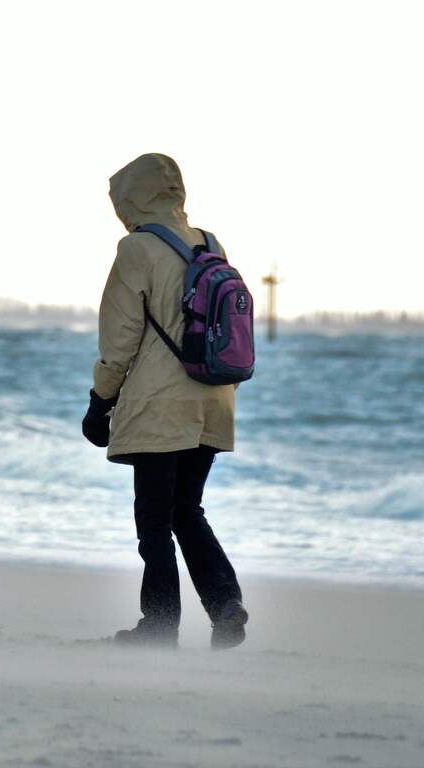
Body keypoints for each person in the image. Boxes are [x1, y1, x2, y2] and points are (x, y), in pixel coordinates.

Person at [82, 153, 248, 650]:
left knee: (154, 520)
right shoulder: (210, 243)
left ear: (131, 197)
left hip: (160, 403)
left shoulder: (138, 249)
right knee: (187, 510)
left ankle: (157, 627)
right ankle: (225, 606)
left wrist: (100, 401)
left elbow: (121, 337)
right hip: (215, 397)